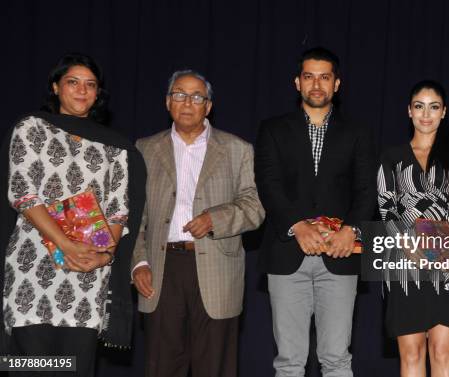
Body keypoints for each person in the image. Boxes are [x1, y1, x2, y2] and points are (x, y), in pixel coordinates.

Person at [0, 53, 146, 377]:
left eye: (90, 84)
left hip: (88, 275)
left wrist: (104, 255)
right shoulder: (31, 127)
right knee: (32, 368)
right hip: (33, 269)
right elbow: (22, 193)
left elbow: (119, 210)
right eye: (72, 82)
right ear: (55, 87)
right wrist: (65, 244)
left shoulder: (115, 147)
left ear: (98, 93)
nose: (82, 90)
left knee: (76, 369)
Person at [131, 69, 264, 377]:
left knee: (214, 366)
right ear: (167, 102)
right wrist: (138, 263)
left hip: (217, 267)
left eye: (196, 96)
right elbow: (132, 214)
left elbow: (255, 207)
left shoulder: (237, 149)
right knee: (162, 365)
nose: (187, 102)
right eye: (179, 94)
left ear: (208, 106)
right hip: (161, 268)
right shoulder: (144, 149)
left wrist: (215, 219)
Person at [254, 47, 376, 377]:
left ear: (337, 84)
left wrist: (350, 230)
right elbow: (268, 184)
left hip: (340, 256)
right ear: (297, 82)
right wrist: (297, 225)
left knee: (337, 357)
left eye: (325, 77)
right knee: (290, 360)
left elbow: (367, 190)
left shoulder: (358, 133)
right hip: (286, 254)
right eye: (309, 76)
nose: (317, 84)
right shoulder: (272, 129)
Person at [377, 80, 449, 377]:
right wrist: (410, 246)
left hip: (448, 263)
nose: (426, 114)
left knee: (443, 352)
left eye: (434, 107)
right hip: (404, 263)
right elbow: (386, 208)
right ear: (409, 111)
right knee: (412, 353)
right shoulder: (390, 157)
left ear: (444, 112)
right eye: (419, 106)